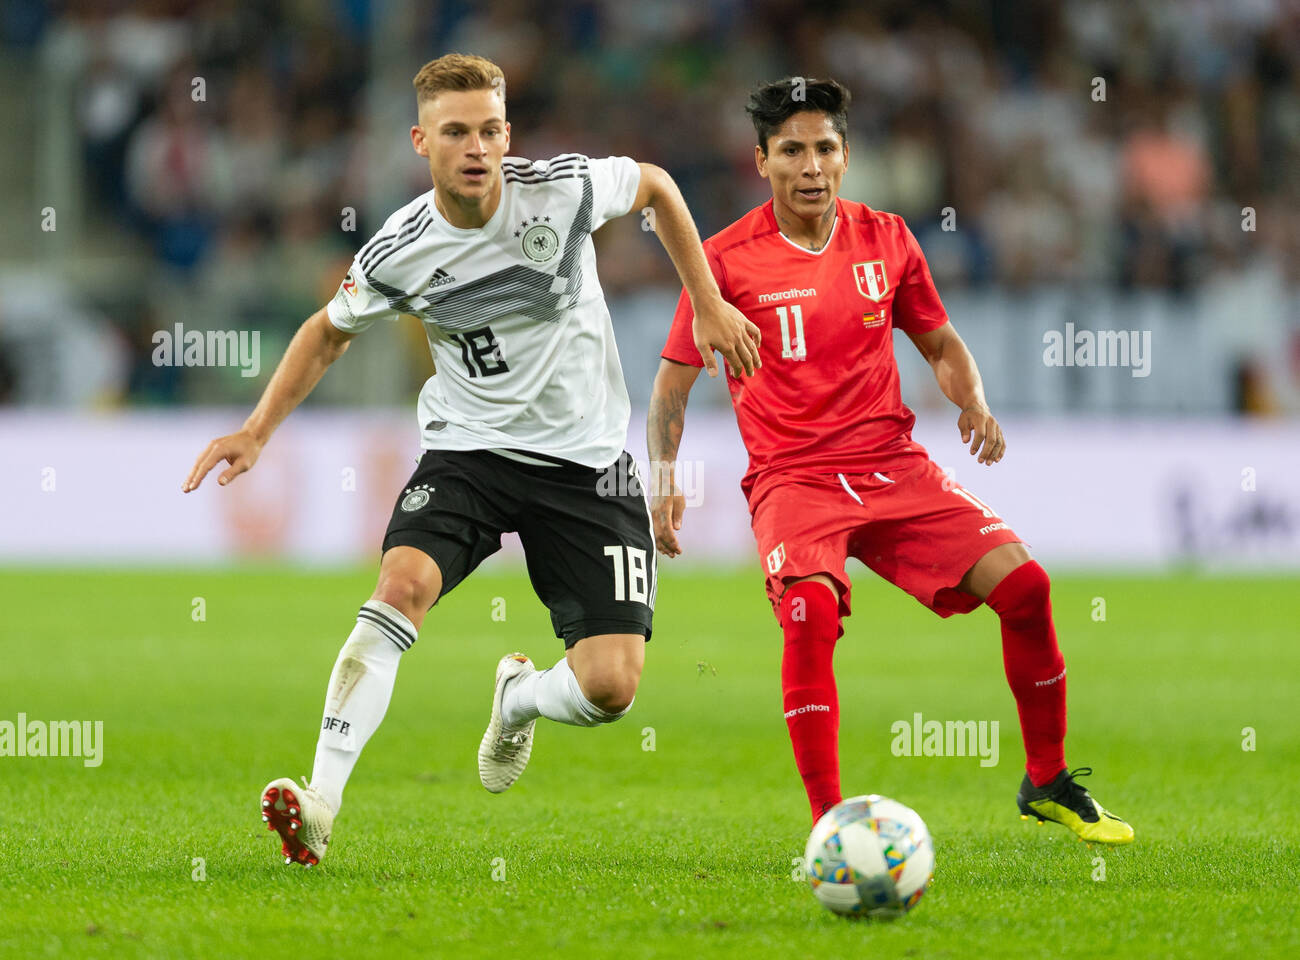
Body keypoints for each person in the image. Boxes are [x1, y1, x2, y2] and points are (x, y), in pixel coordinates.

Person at [182, 53, 760, 866]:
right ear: (422, 141)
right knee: (401, 585)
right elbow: (326, 331)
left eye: (490, 129)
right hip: (470, 452)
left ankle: (519, 698)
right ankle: (320, 800)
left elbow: (658, 185)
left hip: (587, 463)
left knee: (611, 687)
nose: (477, 146)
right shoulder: (401, 249)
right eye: (456, 132)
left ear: (507, 134)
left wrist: (707, 300)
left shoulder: (561, 190)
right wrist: (257, 429)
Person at [647, 77, 1132, 844]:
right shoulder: (722, 263)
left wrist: (970, 398)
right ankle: (828, 827)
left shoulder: (888, 239)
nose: (811, 167)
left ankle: (1046, 779)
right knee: (806, 613)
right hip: (794, 476)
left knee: (1027, 586)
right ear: (762, 161)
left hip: (890, 463)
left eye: (825, 149)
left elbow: (939, 342)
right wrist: (666, 478)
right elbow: (671, 386)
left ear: (846, 155)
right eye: (792, 151)